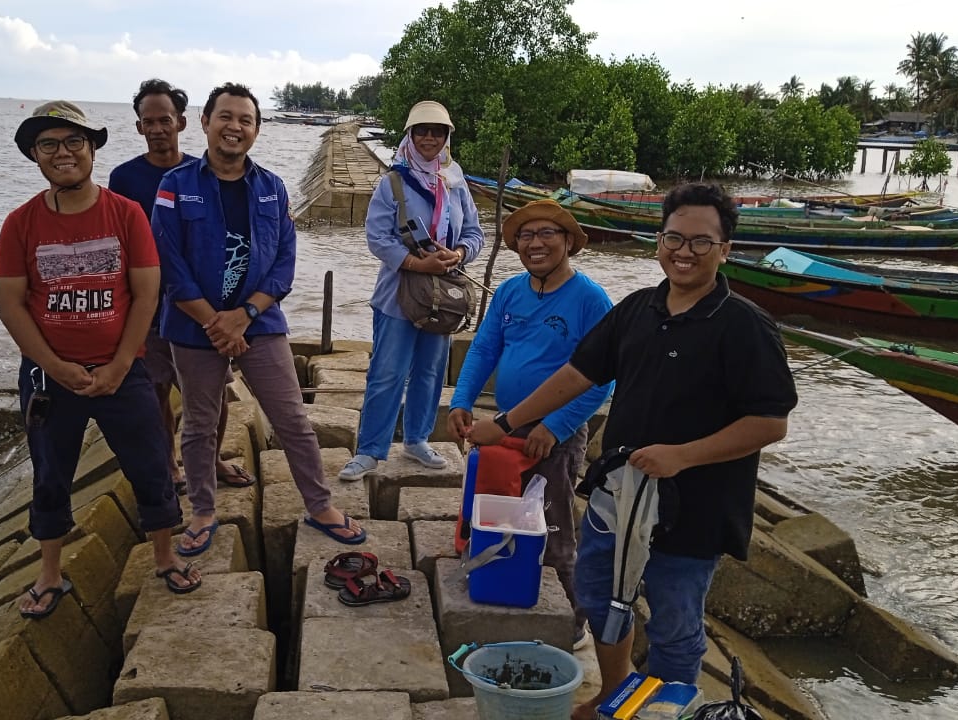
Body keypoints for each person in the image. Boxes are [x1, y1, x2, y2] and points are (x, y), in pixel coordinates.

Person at [467, 182, 797, 719]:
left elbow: (770, 422)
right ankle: (613, 697)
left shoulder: (744, 325)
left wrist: (683, 455)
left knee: (673, 624)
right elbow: (578, 374)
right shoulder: (637, 309)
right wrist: (505, 422)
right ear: (658, 240)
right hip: (617, 492)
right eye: (674, 238)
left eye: (700, 242)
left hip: (696, 506)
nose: (684, 252)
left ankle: (660, 714)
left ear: (725, 249)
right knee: (602, 602)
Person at [0, 100, 202, 618]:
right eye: (49, 144)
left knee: (152, 464)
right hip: (49, 375)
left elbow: (145, 294)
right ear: (34, 156)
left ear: (92, 149)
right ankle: (49, 572)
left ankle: (163, 555)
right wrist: (57, 366)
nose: (63, 153)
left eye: (74, 142)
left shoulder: (126, 213)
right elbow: (12, 305)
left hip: (122, 369)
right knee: (50, 473)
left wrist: (118, 363)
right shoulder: (20, 224)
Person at [151, 82, 365, 553]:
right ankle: (204, 510)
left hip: (260, 323)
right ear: (204, 123)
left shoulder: (271, 187)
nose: (235, 127)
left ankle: (319, 504)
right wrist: (216, 322)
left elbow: (284, 262)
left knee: (292, 419)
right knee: (200, 425)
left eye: (245, 120)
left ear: (256, 130)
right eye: (225, 117)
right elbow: (168, 263)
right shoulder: (174, 187)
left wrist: (245, 315)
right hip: (192, 327)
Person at [447, 199, 613, 649]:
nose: (535, 243)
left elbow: (602, 379)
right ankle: (503, 586)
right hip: (505, 426)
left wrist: (556, 426)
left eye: (547, 234)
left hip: (555, 434)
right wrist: (461, 399)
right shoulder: (510, 292)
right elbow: (483, 349)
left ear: (568, 243)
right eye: (526, 235)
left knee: (555, 523)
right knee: (499, 512)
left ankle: (574, 621)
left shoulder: (591, 300)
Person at [108, 79, 254, 496]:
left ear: (183, 123)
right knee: (156, 390)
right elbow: (120, 245)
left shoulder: (203, 173)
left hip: (204, 309)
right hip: (150, 308)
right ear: (138, 127)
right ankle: (169, 462)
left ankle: (211, 459)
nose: (157, 128)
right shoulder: (124, 177)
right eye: (148, 121)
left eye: (164, 120)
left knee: (215, 395)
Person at [338, 100, 484, 481]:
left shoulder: (455, 183)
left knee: (430, 372)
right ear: (410, 135)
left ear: (448, 137)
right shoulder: (392, 183)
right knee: (386, 373)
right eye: (422, 130)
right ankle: (370, 450)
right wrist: (418, 264)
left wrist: (459, 253)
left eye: (438, 131)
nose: (430, 137)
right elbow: (377, 239)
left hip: (443, 297)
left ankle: (417, 440)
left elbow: (475, 234)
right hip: (398, 296)